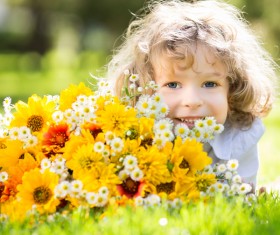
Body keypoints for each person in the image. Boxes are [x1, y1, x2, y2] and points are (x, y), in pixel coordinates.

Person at [105, 0, 278, 188]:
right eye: (172, 84)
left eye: (210, 83)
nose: (192, 101)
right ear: (146, 88)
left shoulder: (240, 135)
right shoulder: (133, 136)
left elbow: (240, 196)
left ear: (233, 89)